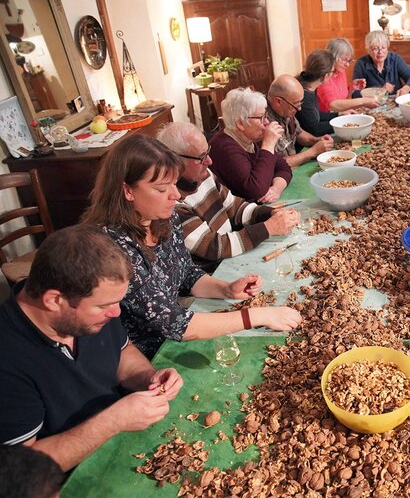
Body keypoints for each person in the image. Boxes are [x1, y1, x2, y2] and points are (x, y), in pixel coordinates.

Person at [81, 135, 303, 359]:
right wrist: (255, 316)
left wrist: (225, 289)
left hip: (174, 336)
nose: (176, 195)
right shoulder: (113, 249)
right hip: (145, 357)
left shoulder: (165, 218)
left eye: (174, 183)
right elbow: (175, 323)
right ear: (128, 191)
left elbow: (187, 272)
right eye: (162, 189)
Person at [0, 225, 182, 470]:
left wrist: (148, 377)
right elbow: (22, 467)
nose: (116, 312)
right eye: (105, 306)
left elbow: (121, 351)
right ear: (54, 300)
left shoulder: (90, 309)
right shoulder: (8, 360)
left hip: (119, 440)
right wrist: (113, 421)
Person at [158, 122, 299, 270]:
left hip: (233, 256)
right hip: (215, 271)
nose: (209, 161)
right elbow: (213, 247)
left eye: (208, 152)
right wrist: (269, 228)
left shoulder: (203, 175)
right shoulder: (172, 201)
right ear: (175, 161)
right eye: (201, 158)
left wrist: (271, 214)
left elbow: (235, 208)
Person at [208, 87, 293, 203]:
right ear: (240, 123)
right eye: (261, 118)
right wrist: (268, 145)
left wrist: (276, 189)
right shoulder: (224, 148)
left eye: (266, 116)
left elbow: (284, 168)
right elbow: (255, 190)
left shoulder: (253, 137)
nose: (267, 122)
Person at [263, 74, 334, 168]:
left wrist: (316, 141)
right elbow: (276, 165)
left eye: (300, 103)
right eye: (296, 104)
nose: (299, 109)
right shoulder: (262, 121)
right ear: (278, 101)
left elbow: (298, 132)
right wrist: (313, 151)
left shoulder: (285, 109)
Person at [317, 37, 380, 113]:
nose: (347, 65)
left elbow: (344, 100)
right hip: (328, 118)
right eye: (344, 60)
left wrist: (351, 88)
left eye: (349, 61)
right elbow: (333, 105)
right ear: (332, 57)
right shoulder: (324, 76)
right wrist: (364, 101)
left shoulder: (341, 72)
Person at [352, 30, 410, 96]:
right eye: (375, 48)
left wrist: (407, 88)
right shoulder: (361, 64)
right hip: (373, 102)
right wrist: (379, 91)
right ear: (368, 50)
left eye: (383, 47)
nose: (380, 52)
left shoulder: (395, 59)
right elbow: (355, 93)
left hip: (396, 99)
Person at [296, 49, 343, 136]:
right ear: (325, 75)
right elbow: (315, 129)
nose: (332, 75)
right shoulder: (303, 94)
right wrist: (343, 124)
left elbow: (316, 115)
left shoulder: (311, 86)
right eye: (332, 71)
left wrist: (339, 115)